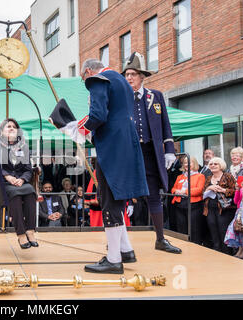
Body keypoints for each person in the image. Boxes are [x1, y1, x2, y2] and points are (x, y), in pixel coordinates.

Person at [68, 58, 149, 274]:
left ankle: (114, 259)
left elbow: (98, 114)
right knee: (117, 197)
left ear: (87, 71)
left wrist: (78, 130)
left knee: (108, 199)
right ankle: (125, 250)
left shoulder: (97, 79)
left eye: (83, 78)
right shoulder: (121, 81)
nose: (85, 82)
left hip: (112, 145)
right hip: (126, 143)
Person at [123, 52, 181, 254]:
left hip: (150, 153)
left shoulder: (155, 96)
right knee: (121, 196)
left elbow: (166, 125)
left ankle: (160, 239)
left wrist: (169, 151)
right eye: (127, 74)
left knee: (154, 196)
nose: (129, 77)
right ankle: (118, 241)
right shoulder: (121, 97)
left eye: (133, 74)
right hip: (129, 154)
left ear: (142, 76)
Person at [0, 118, 38, 248]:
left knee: (31, 192)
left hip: (20, 181)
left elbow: (28, 169)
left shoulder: (23, 147)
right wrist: (7, 176)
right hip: (4, 183)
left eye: (14, 127)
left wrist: (22, 179)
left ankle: (30, 230)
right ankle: (21, 234)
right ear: (1, 131)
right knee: (15, 195)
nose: (11, 128)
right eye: (8, 126)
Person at [202, 157, 236, 254]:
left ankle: (227, 255)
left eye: (215, 164)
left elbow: (235, 192)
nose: (213, 165)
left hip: (224, 209)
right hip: (210, 209)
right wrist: (209, 188)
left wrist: (223, 190)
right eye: (211, 164)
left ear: (221, 166)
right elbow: (202, 193)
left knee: (223, 232)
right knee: (213, 233)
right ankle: (217, 254)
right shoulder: (208, 178)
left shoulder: (228, 176)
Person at [171, 156, 206, 244]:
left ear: (194, 164)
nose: (187, 164)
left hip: (194, 205)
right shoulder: (180, 176)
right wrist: (177, 191)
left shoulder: (200, 176)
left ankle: (195, 247)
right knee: (181, 228)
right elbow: (173, 189)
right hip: (180, 204)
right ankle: (183, 246)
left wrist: (184, 192)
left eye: (189, 162)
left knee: (194, 229)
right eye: (185, 163)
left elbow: (199, 190)